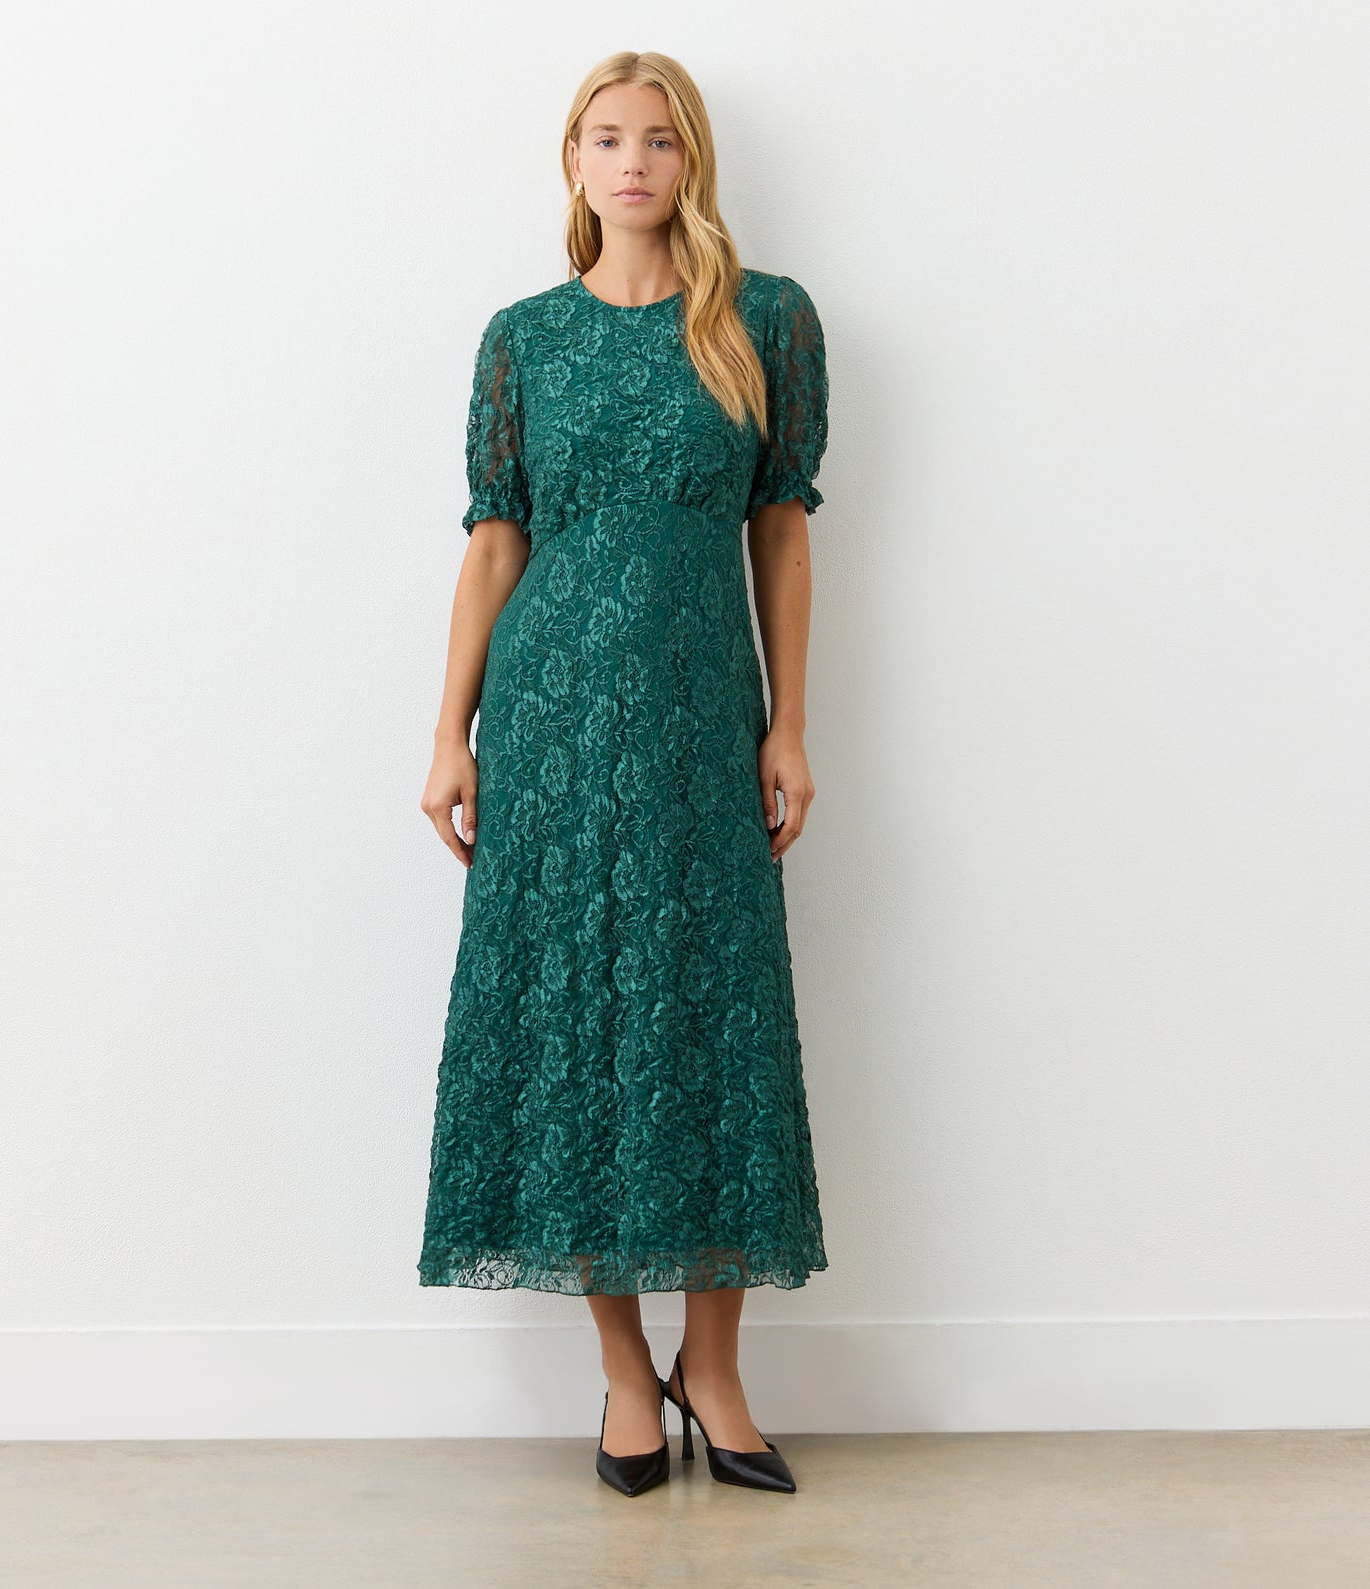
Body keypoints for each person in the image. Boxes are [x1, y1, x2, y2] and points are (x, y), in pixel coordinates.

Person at [418, 50, 830, 1498]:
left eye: (658, 140)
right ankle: (620, 1379)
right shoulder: (521, 337)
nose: (633, 161)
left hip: (699, 723)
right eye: (606, 138)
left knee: (710, 1014)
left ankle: (711, 1365)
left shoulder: (762, 322)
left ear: (690, 160)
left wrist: (785, 724)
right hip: (549, 728)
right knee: (579, 1027)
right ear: (573, 164)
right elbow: (492, 541)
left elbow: (780, 527)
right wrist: (449, 731)